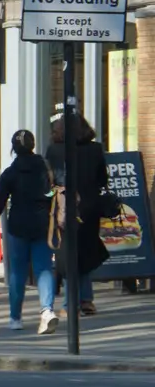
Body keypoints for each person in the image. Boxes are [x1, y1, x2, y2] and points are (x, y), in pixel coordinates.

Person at [0, 130, 58, 334]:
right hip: (42, 225)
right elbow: (51, 193)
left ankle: (15, 317)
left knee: (17, 273)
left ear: (14, 149)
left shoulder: (10, 174)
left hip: (18, 226)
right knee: (44, 269)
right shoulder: (45, 169)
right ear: (32, 146)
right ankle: (47, 310)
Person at [45, 116, 111, 316]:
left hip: (66, 206)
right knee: (86, 251)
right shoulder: (95, 149)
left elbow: (50, 178)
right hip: (90, 207)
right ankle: (86, 300)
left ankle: (69, 303)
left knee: (67, 255)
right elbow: (102, 179)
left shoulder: (54, 150)